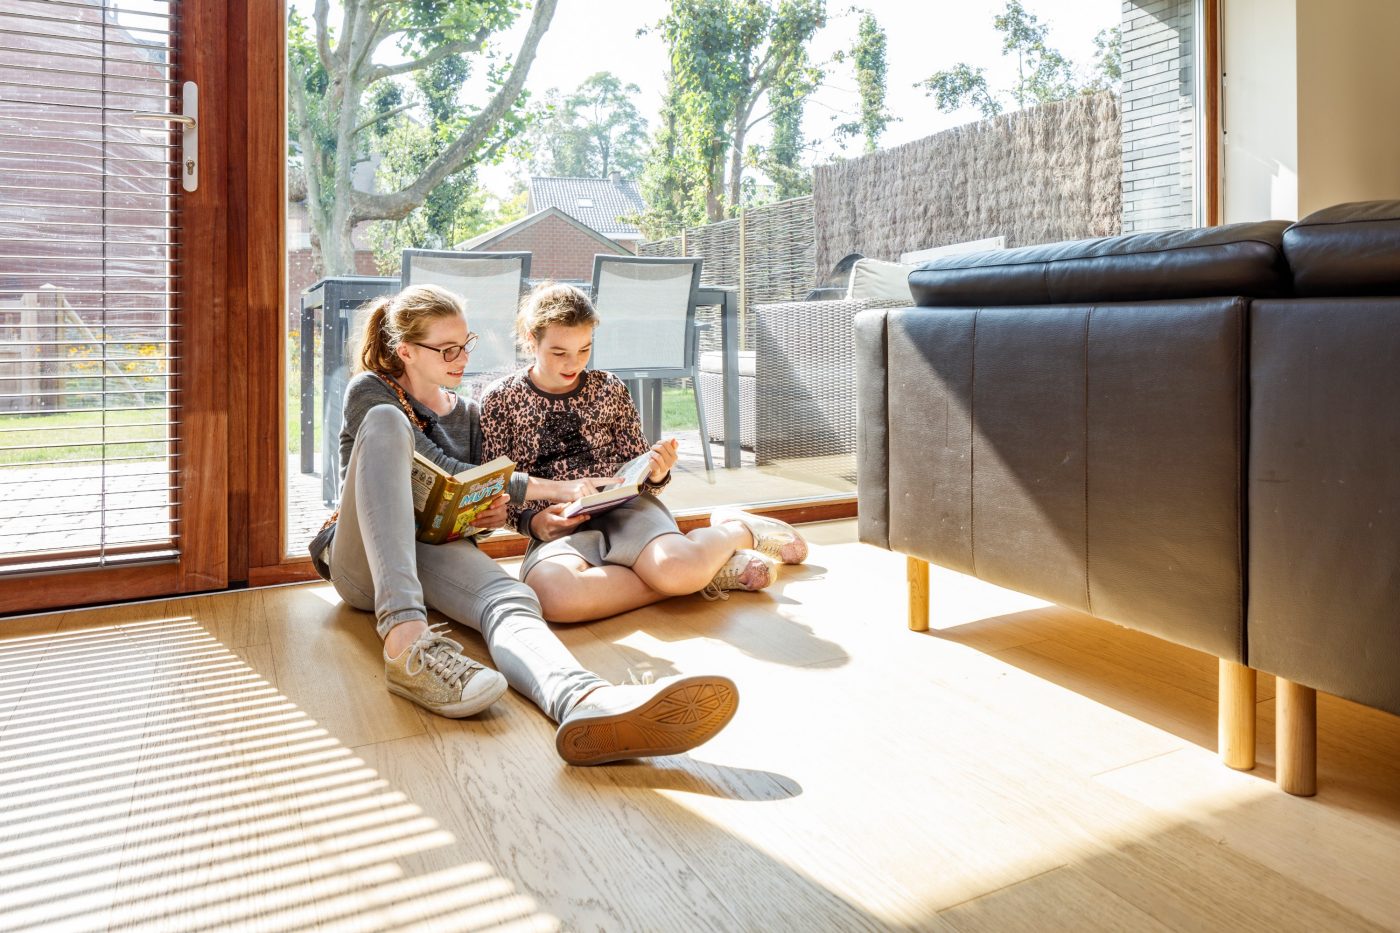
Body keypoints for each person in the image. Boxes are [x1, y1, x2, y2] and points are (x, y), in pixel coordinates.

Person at [308, 284, 737, 766]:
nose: (460, 358)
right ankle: (406, 643)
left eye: (464, 344)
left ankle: (584, 702)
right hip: (361, 564)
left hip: (430, 547)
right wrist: (560, 489)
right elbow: (444, 469)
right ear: (405, 350)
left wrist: (485, 516)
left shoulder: (469, 413)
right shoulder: (371, 391)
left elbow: (473, 493)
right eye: (446, 349)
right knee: (388, 422)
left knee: (512, 598)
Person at [479, 281, 809, 625]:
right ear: (532, 340)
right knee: (553, 597)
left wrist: (656, 471)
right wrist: (532, 523)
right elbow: (496, 487)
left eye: (584, 349)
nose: (573, 363)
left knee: (676, 567)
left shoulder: (608, 388)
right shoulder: (500, 399)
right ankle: (703, 573)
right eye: (559, 352)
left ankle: (736, 530)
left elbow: (642, 476)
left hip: (627, 511)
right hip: (558, 526)